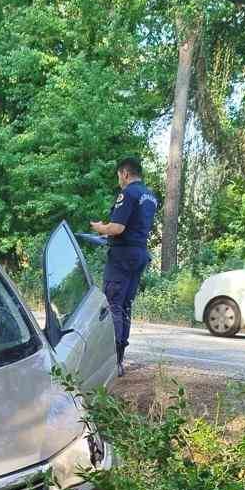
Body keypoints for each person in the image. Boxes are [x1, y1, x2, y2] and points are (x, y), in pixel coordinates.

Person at [90, 157, 158, 375]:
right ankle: (119, 359)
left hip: (122, 257)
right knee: (126, 305)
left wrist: (101, 228)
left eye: (119, 175)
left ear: (125, 174)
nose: (119, 180)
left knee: (114, 305)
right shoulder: (150, 196)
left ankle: (112, 361)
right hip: (139, 253)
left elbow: (118, 227)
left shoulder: (128, 193)